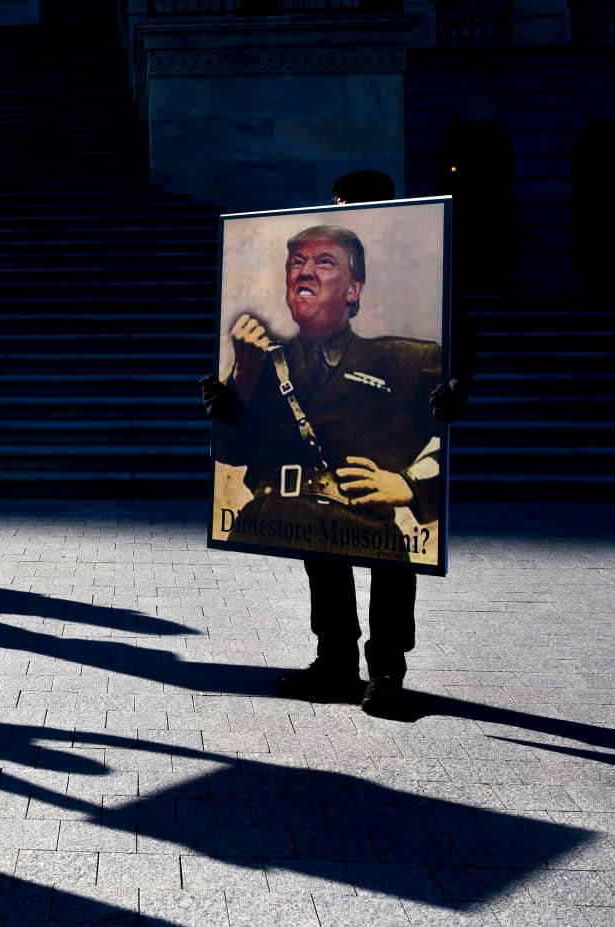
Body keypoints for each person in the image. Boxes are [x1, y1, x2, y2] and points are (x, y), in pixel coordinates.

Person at [201, 178, 473, 717]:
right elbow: (234, 455)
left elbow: (456, 387)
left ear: (355, 288)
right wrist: (232, 394)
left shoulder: (408, 359)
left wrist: (411, 482)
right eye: (297, 262)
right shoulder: (267, 360)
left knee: (389, 570)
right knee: (323, 563)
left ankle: (387, 672)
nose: (304, 271)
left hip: (379, 514)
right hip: (305, 510)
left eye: (324, 262)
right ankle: (334, 664)